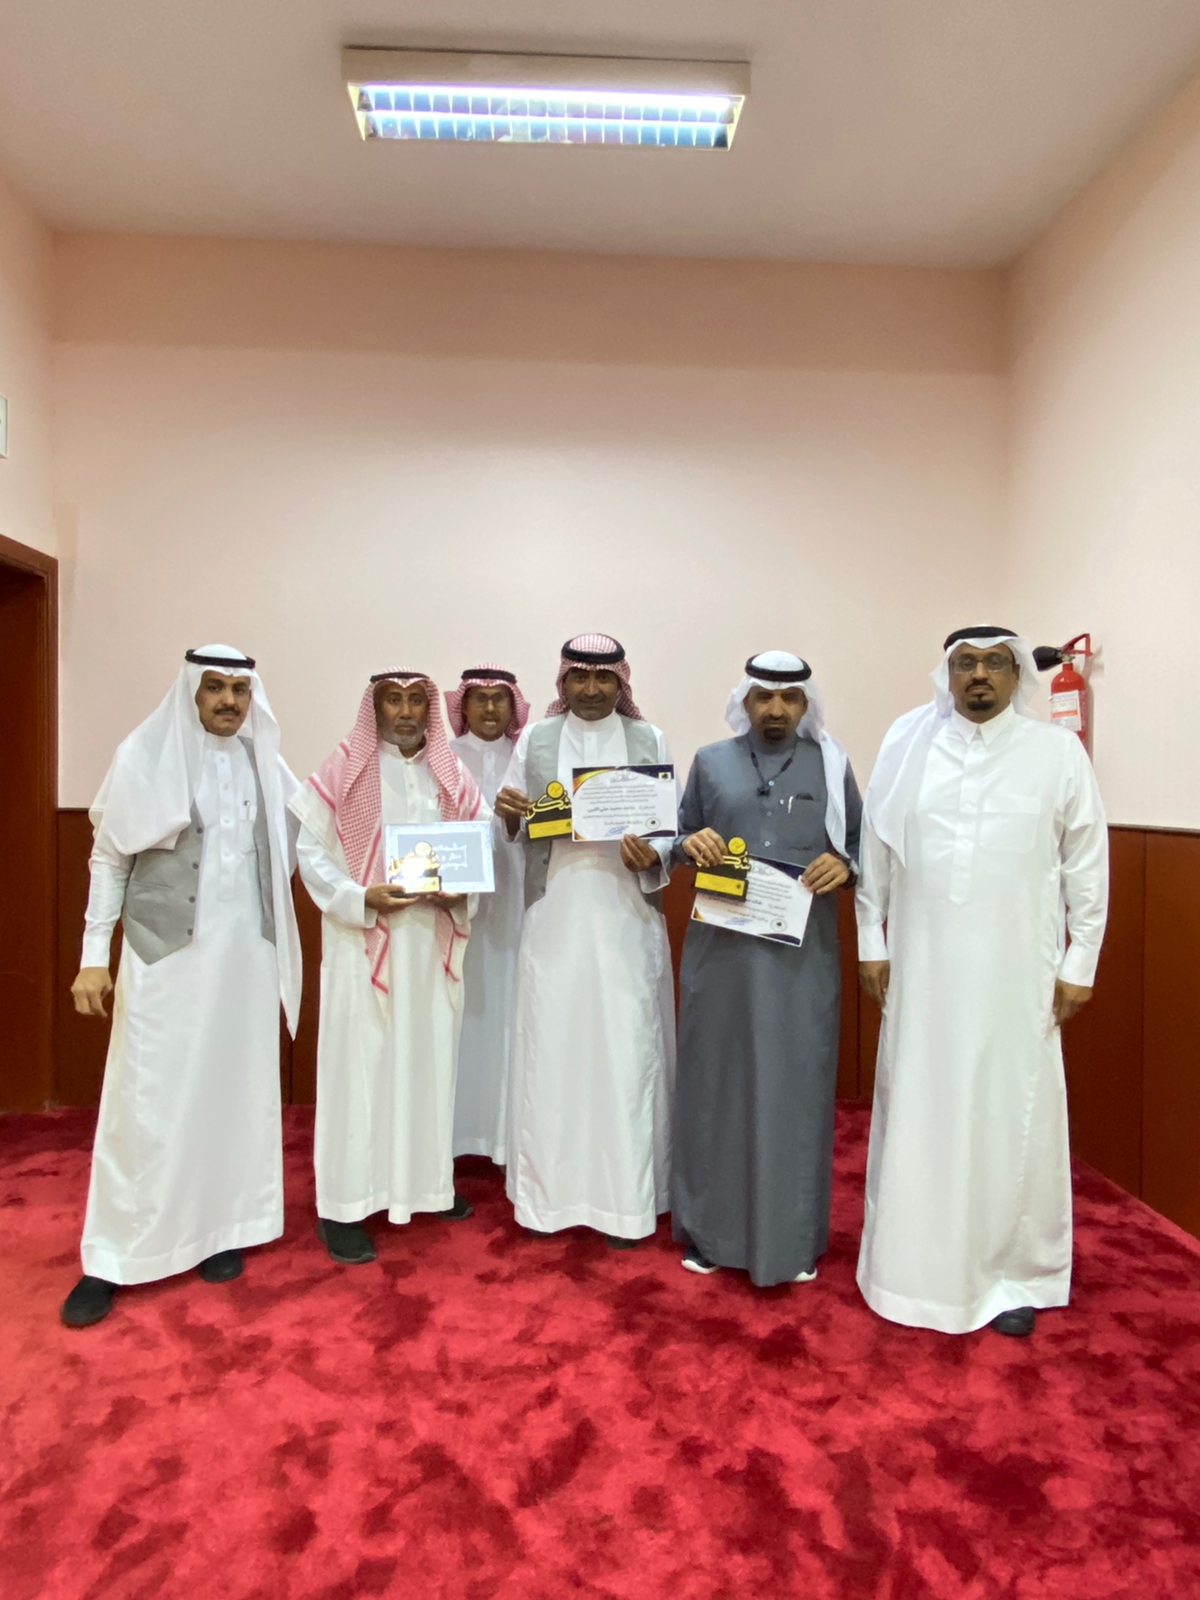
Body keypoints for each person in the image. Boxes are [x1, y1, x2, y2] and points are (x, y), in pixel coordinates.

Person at [856, 627, 1108, 1337]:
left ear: (1017, 675)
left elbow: (1086, 858)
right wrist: (872, 942)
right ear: (947, 673)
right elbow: (877, 849)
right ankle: (907, 1271)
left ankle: (1012, 1276)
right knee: (920, 1103)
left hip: (1017, 973)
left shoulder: (1055, 753)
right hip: (922, 966)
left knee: (1010, 1116)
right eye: (965, 663)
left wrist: (1081, 959)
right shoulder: (908, 744)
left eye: (996, 663)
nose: (979, 675)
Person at [62, 645, 302, 1327]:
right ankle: (113, 1256)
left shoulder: (264, 761)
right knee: (145, 1103)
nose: (229, 701)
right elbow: (109, 858)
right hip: (164, 960)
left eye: (239, 690)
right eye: (214, 688)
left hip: (243, 964)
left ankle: (219, 1230)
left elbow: (307, 834)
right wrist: (93, 955)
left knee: (229, 1095)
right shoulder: (144, 755)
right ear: (191, 692)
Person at [671, 651, 862, 1286]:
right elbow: (677, 836)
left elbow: (860, 846)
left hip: (799, 960)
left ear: (805, 705)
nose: (776, 709)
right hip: (721, 955)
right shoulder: (709, 762)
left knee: (794, 1091)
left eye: (789, 698)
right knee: (715, 1086)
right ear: (745, 702)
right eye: (763, 697)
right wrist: (688, 843)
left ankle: (792, 1240)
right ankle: (710, 1233)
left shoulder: (831, 765)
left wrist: (845, 865)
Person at [292, 670, 486, 1265]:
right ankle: (344, 1208)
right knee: (360, 1072)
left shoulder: (451, 774)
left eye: (415, 700)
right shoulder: (343, 769)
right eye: (393, 700)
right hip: (362, 945)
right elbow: (311, 854)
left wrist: (462, 892)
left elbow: (476, 848)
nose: (405, 712)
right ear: (374, 709)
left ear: (430, 709)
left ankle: (425, 1186)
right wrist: (360, 897)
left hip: (428, 942)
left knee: (427, 1063)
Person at [494, 634, 674, 1247]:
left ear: (620, 683)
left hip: (627, 918)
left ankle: (626, 1203)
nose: (591, 690)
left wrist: (654, 852)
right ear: (563, 683)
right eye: (580, 678)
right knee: (553, 1048)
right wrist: (509, 812)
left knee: (627, 1051)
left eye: (604, 679)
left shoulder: (649, 740)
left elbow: (670, 832)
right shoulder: (535, 740)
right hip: (556, 916)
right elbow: (514, 825)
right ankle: (547, 1199)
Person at [446, 664, 531, 1167]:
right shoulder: (442, 756)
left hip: (514, 906)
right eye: (480, 698)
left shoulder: (529, 757)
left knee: (508, 1013)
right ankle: (455, 1137)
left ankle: (504, 1139)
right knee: (461, 1013)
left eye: (501, 698)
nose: (491, 707)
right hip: (455, 913)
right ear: (463, 705)